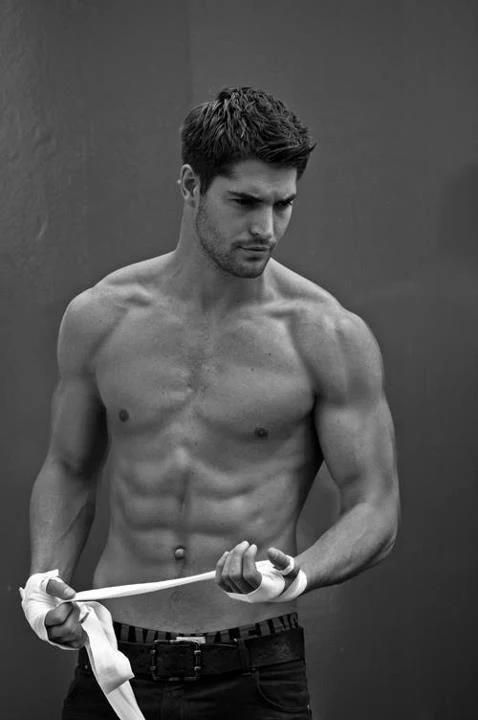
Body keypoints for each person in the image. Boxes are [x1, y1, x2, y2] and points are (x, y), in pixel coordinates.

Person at [24, 86, 400, 719]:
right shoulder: (101, 317)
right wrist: (44, 582)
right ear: (190, 185)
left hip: (255, 669)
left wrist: (297, 575)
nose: (266, 229)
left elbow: (376, 507)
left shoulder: (327, 334)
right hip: (117, 659)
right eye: (245, 202)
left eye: (283, 204)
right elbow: (68, 468)